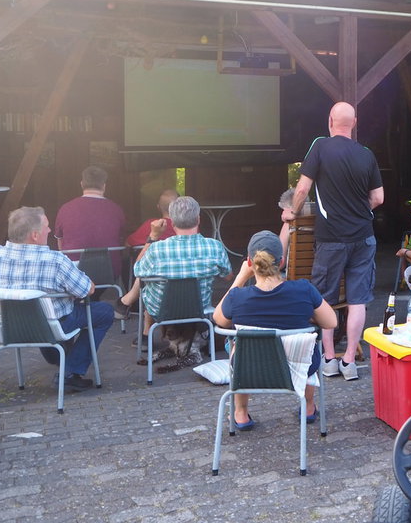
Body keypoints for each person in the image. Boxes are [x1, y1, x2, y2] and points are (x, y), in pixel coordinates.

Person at [288, 101, 384, 382]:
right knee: (357, 300)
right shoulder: (366, 154)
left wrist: (292, 212)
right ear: (354, 123)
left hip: (331, 238)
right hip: (364, 237)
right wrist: (358, 212)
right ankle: (349, 360)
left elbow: (303, 188)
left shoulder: (320, 146)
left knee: (326, 299)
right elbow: (378, 198)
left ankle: (329, 359)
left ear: (330, 121)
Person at [213, 231, 338, 429]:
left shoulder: (238, 297)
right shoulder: (304, 290)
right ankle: (308, 407)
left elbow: (219, 319)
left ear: (250, 262)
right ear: (281, 262)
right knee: (308, 346)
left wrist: (240, 278)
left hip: (250, 369)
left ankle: (240, 413)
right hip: (298, 368)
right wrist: (307, 314)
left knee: (237, 345)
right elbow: (331, 321)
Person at [0, 206, 114, 392]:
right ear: (35, 235)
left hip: (6, 329)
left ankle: (59, 356)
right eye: (46, 226)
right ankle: (70, 372)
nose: (50, 230)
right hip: (50, 328)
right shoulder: (56, 260)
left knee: (57, 314)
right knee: (104, 312)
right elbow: (87, 290)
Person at [122, 196, 233, 342]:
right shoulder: (215, 247)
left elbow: (137, 270)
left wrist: (152, 237)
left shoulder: (156, 249)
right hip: (200, 309)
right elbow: (228, 276)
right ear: (198, 220)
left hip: (161, 311)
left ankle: (146, 334)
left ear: (172, 222)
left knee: (149, 284)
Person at [54, 165, 127, 278]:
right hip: (109, 273)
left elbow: (60, 242)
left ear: (82, 184)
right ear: (104, 186)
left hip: (73, 273)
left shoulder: (66, 209)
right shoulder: (116, 209)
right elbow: (122, 238)